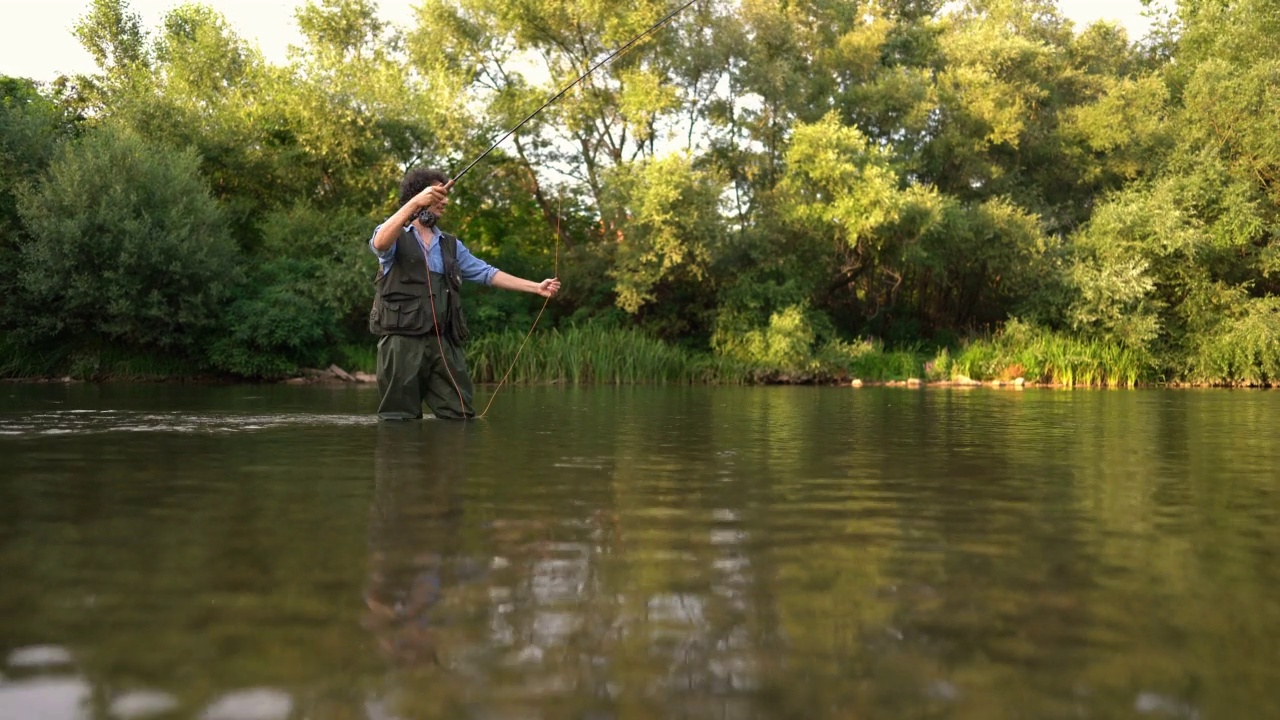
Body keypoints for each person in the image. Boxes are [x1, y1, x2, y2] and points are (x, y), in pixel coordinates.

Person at [369, 168, 560, 420]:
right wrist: (414, 204)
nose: (446, 201)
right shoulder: (395, 234)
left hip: (444, 344)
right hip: (401, 343)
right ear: (421, 195)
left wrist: (535, 287)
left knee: (460, 416)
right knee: (397, 419)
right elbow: (380, 243)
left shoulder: (450, 244)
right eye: (440, 194)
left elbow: (487, 273)